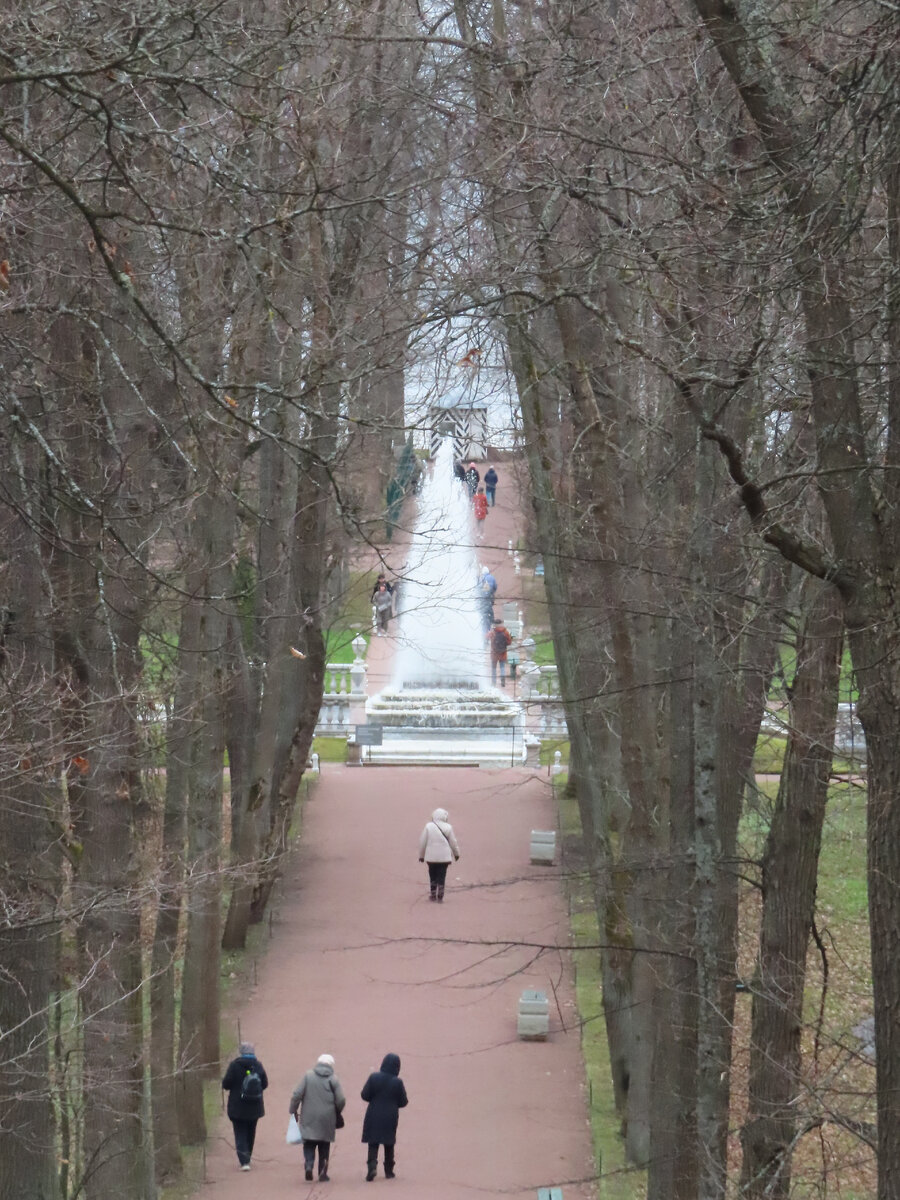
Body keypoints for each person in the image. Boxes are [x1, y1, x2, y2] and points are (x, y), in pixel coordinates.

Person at [289, 1053, 346, 1183]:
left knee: (309, 1143)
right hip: (327, 1117)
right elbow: (341, 1099)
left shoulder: (308, 1076)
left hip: (309, 1116)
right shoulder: (334, 1079)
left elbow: (296, 1095)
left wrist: (293, 1110)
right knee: (324, 1145)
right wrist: (337, 1110)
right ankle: (322, 1172)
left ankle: (309, 1164)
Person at [222, 1041, 268, 1171]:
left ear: (241, 1052)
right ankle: (248, 1157)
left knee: (240, 1132)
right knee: (250, 1132)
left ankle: (244, 1161)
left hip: (237, 1107)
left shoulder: (234, 1066)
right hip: (255, 1106)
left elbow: (226, 1084)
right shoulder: (258, 1066)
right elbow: (264, 1084)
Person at [361, 1053, 409, 1181]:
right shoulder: (398, 1082)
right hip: (390, 1115)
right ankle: (389, 1171)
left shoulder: (373, 1077)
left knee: (373, 1141)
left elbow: (364, 1095)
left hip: (373, 1113)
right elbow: (404, 1102)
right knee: (389, 1142)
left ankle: (372, 1166)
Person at [418, 807, 460, 902]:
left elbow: (422, 842)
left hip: (431, 857)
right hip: (444, 858)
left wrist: (421, 856)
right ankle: (440, 896)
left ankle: (433, 895)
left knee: (432, 875)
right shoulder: (448, 827)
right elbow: (453, 842)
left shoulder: (428, 826)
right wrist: (456, 854)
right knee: (442, 876)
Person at [487, 618, 513, 687]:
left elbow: (486, 637)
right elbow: (509, 642)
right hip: (503, 653)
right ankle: (502, 681)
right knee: (502, 667)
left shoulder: (493, 632)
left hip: (494, 653)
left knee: (493, 669)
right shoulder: (505, 632)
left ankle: (493, 682)